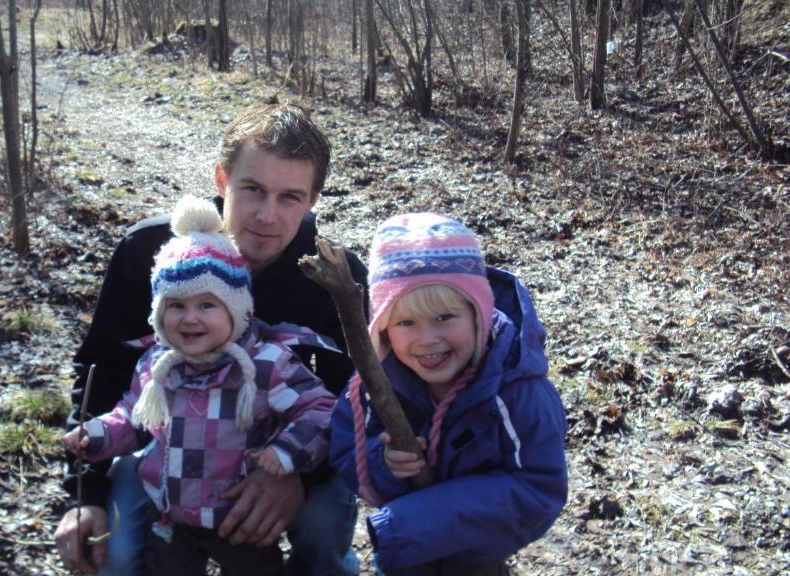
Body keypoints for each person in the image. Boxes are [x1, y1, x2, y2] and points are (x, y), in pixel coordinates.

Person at [55, 102, 367, 575]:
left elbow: (356, 402)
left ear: (313, 199)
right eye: (252, 189)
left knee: (323, 528)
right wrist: (85, 493)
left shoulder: (335, 277)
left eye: (289, 197)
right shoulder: (153, 253)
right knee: (113, 555)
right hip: (167, 443)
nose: (266, 215)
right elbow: (102, 368)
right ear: (221, 180)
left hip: (289, 453)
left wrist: (299, 475)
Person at [329, 213, 568, 575]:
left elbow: (538, 491)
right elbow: (348, 448)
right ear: (385, 329)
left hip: (474, 560)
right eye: (406, 323)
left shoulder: (518, 391)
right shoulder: (379, 379)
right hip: (406, 556)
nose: (427, 339)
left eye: (444, 318)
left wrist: (420, 521)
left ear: (478, 315)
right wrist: (386, 463)